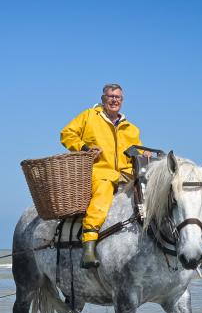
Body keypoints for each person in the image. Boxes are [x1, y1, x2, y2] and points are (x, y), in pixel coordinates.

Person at [61, 83, 145, 268]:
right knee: (102, 195)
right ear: (103, 99)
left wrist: (143, 154)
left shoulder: (131, 128)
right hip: (100, 171)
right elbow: (66, 134)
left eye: (118, 97)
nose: (114, 100)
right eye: (110, 96)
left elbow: (136, 151)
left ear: (122, 101)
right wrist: (85, 148)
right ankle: (89, 247)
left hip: (128, 174)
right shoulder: (89, 116)